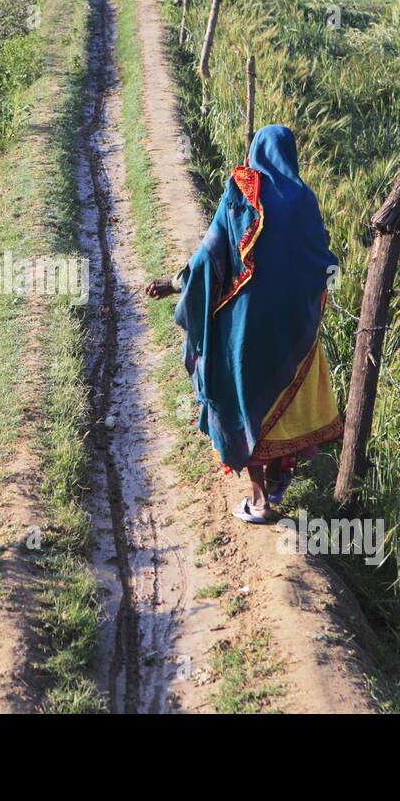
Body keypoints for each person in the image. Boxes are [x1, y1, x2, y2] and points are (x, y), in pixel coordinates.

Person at [147, 125, 343, 524]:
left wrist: (174, 284)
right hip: (292, 329)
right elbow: (324, 262)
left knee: (240, 399)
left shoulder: (242, 190)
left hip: (244, 326)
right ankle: (277, 477)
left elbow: (208, 258)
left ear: (255, 151)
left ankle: (259, 501)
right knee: (281, 401)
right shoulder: (304, 199)